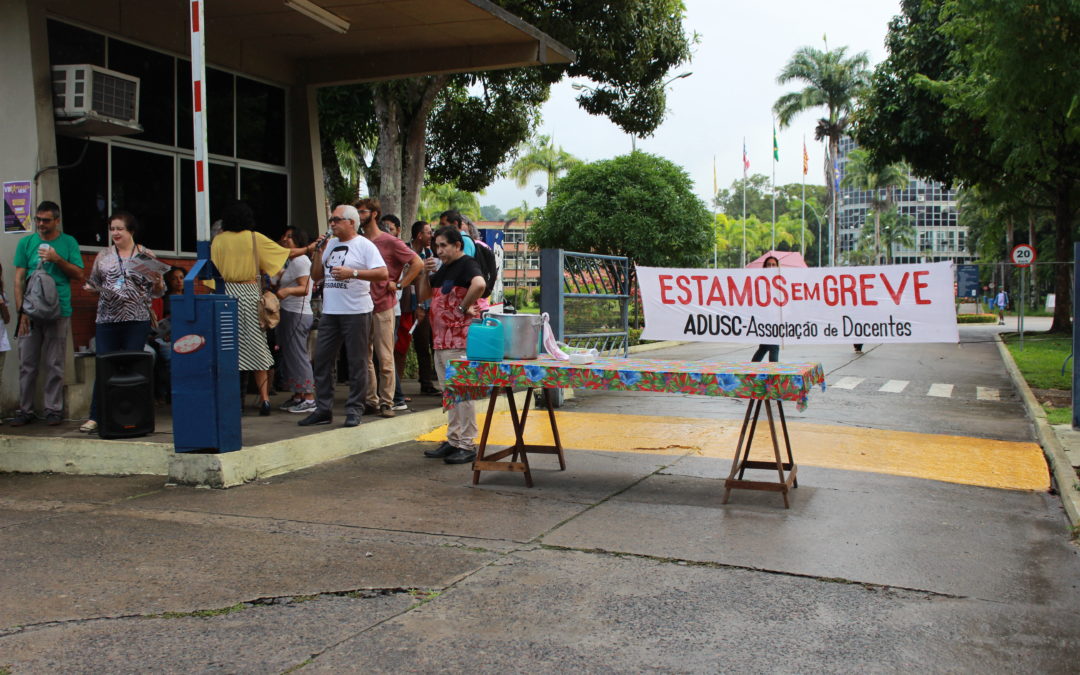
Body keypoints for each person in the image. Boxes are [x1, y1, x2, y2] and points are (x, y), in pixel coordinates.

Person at [298, 204, 387, 428]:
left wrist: (353, 273)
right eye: (331, 220)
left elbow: (383, 273)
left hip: (356, 311)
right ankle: (323, 409)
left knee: (357, 362)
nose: (332, 224)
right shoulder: (331, 245)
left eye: (337, 220)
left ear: (351, 222)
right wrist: (318, 252)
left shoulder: (364, 245)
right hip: (331, 311)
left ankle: (355, 409)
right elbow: (316, 275)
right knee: (322, 360)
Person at [79, 211, 166, 433]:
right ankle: (96, 416)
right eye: (112, 229)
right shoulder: (104, 256)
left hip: (136, 319)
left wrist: (157, 282)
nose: (115, 233)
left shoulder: (145, 255)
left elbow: (158, 292)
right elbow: (93, 283)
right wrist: (91, 289)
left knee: (132, 367)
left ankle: (134, 413)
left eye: (120, 229)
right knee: (103, 366)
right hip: (107, 318)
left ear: (131, 231)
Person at [210, 200, 289, 416]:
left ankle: (231, 400)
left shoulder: (218, 241)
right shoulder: (254, 238)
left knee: (227, 347)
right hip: (250, 295)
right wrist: (310, 248)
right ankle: (264, 400)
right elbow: (283, 254)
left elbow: (211, 273)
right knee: (257, 346)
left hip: (225, 294)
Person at [10, 201, 84, 427]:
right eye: (38, 219)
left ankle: (53, 409)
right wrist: (21, 311)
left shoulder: (68, 242)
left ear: (57, 221)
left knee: (55, 363)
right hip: (31, 312)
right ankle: (25, 409)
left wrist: (57, 259)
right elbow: (18, 279)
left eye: (46, 220)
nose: (41, 224)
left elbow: (80, 274)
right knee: (27, 363)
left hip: (59, 310)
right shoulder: (26, 242)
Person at [417, 226, 487, 464]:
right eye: (437, 246)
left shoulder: (467, 264)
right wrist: (424, 273)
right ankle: (454, 439)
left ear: (457, 245)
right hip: (441, 340)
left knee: (462, 393)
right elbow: (424, 296)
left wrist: (461, 308)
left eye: (444, 245)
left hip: (458, 340)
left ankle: (467, 444)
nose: (439, 250)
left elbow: (479, 284)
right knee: (451, 393)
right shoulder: (444, 267)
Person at [362, 204, 421, 418]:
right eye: (356, 212)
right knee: (365, 355)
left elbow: (417, 263)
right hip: (361, 305)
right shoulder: (360, 242)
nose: (359, 216)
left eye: (362, 212)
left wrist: (399, 284)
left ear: (373, 214)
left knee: (385, 356)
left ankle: (387, 402)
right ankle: (371, 400)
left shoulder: (390, 241)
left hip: (383, 305)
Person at [273, 227, 316, 414]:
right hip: (289, 312)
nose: (284, 239)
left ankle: (308, 397)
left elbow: (304, 288)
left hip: (297, 313)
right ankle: (298, 395)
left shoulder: (300, 261)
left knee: (298, 355)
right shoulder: (293, 262)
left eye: (289, 237)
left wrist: (287, 291)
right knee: (291, 355)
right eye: (284, 235)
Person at [407, 220, 440, 395]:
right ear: (419, 235)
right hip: (407, 305)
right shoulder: (406, 251)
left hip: (427, 305)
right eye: (428, 232)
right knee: (411, 345)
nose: (431, 236)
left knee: (428, 343)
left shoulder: (429, 253)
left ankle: (426, 382)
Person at [750, 256, 780, 363]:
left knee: (764, 347)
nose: (771, 267)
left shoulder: (780, 282)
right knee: (774, 347)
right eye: (769, 264)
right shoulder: (760, 281)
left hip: (776, 319)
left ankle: (752, 369)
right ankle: (773, 374)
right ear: (765, 267)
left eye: (773, 264)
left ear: (777, 267)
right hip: (765, 319)